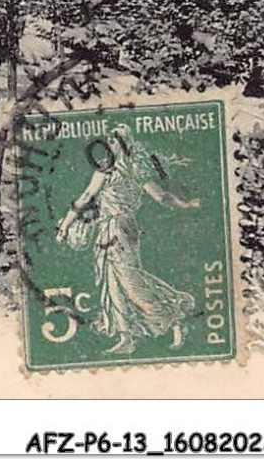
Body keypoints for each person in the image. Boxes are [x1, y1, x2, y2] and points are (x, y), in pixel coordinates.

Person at [54, 124, 201, 354]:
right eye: (110, 141)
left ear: (123, 145)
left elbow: (159, 196)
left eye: (114, 141)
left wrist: (185, 204)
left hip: (121, 227)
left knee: (130, 281)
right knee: (111, 282)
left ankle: (174, 314)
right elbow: (86, 197)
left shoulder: (130, 170)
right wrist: (65, 225)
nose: (110, 146)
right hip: (107, 228)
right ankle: (127, 337)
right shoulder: (109, 170)